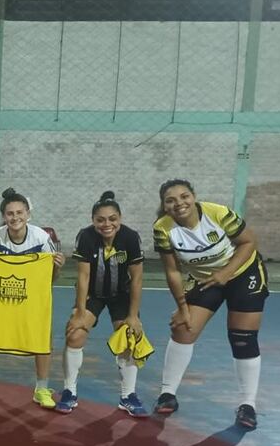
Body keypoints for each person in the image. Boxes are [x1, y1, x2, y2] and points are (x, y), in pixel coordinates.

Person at [152, 179, 268, 429]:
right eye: (170, 200)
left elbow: (249, 242)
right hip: (204, 278)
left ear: (193, 196)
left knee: (242, 337)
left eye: (184, 196)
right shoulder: (163, 228)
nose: (179, 203)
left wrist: (226, 273)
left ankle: (248, 405)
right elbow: (172, 272)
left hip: (242, 272)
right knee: (183, 328)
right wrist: (183, 308)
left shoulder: (218, 214)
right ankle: (168, 393)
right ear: (164, 205)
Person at [0, 188, 65, 407]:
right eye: (10, 213)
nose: (15, 217)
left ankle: (41, 388)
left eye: (19, 212)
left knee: (42, 335)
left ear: (28, 214)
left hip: (31, 298)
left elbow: (50, 277)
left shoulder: (41, 238)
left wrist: (58, 266)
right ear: (4, 217)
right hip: (1, 297)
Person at [58, 191, 148, 416]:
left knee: (128, 336)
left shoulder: (130, 237)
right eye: (100, 219)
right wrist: (79, 312)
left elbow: (137, 278)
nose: (107, 224)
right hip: (93, 294)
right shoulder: (86, 237)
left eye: (112, 219)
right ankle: (69, 391)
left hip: (121, 294)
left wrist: (134, 316)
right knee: (75, 334)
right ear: (93, 221)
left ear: (120, 218)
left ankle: (128, 395)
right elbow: (83, 277)